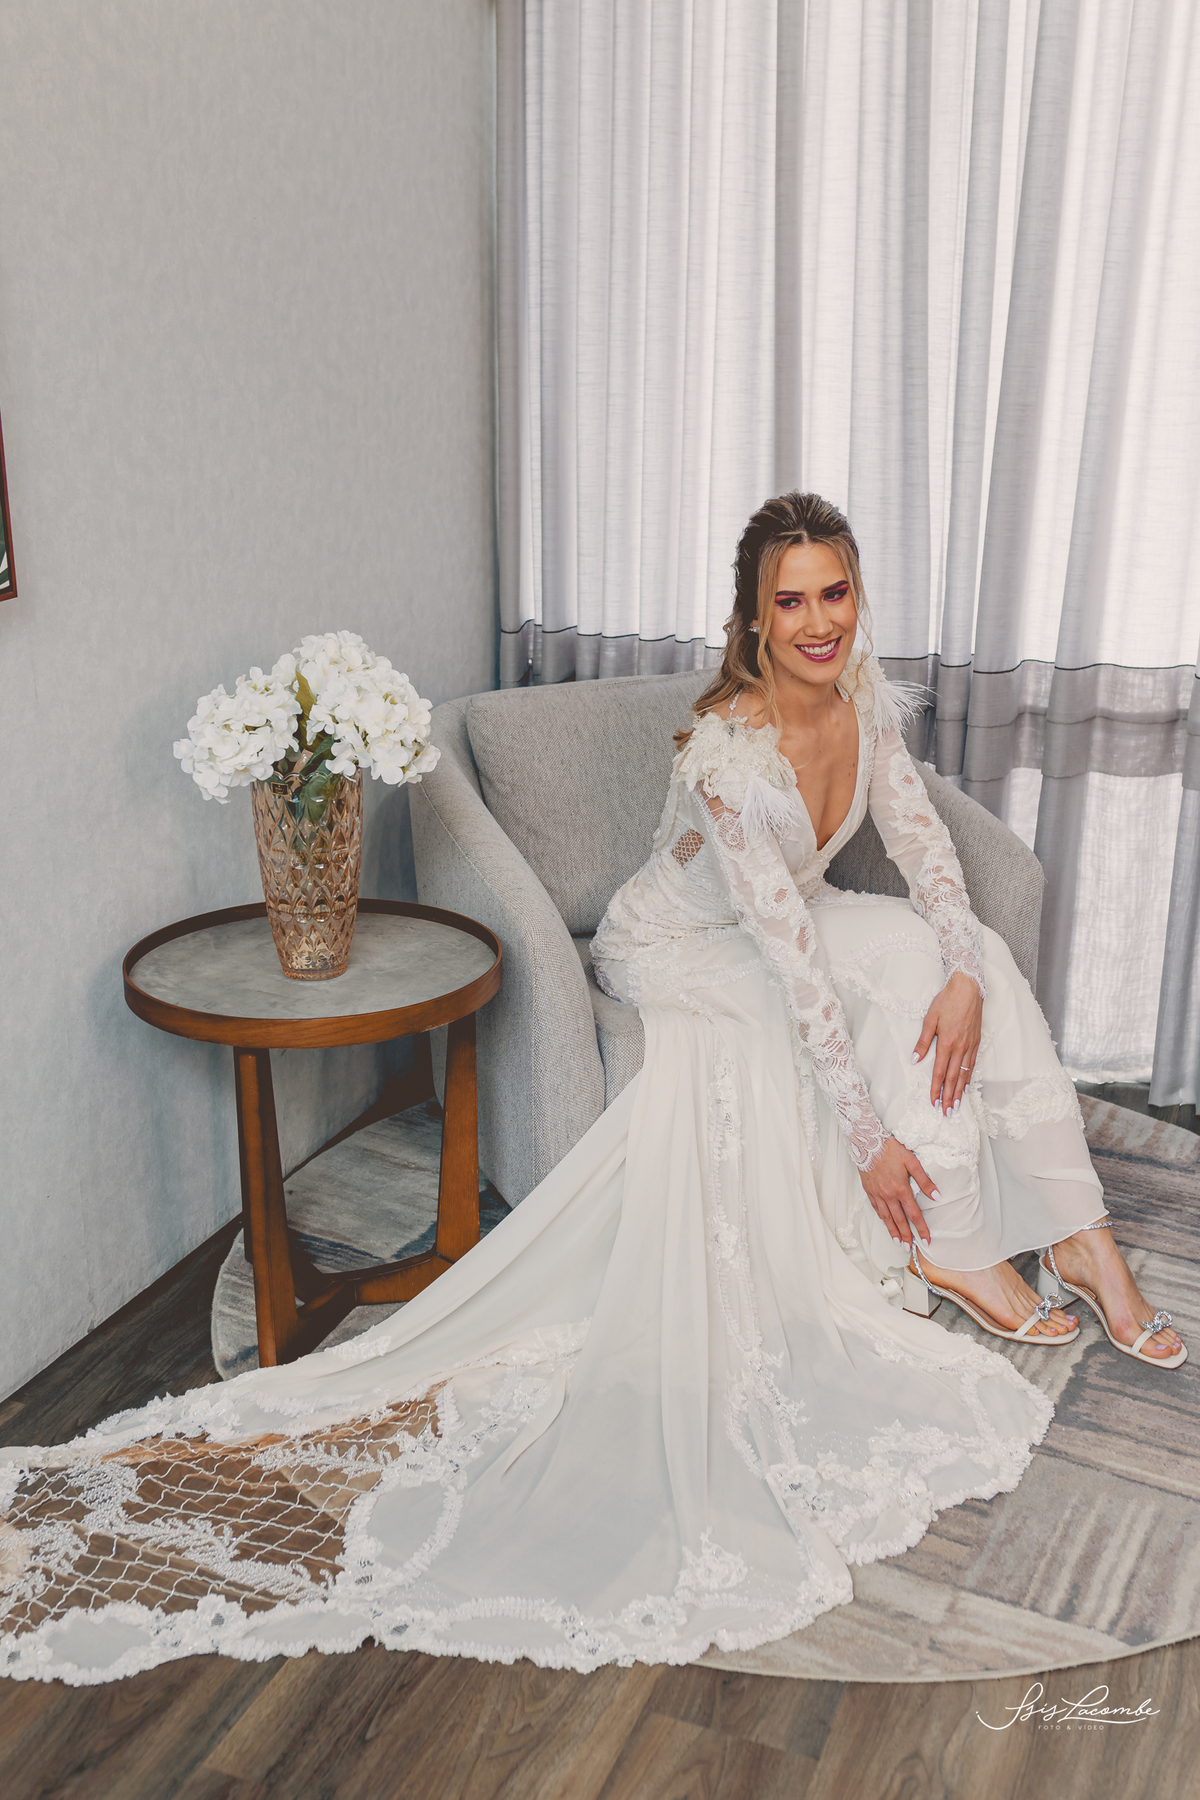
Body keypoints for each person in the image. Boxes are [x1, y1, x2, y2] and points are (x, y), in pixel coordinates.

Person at [0, 492, 1183, 1686]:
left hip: (795, 918)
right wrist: (870, 1141)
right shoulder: (728, 759)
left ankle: (1075, 1236)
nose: (820, 622)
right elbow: (791, 967)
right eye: (791, 602)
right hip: (681, 946)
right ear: (754, 620)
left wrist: (965, 973)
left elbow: (925, 850)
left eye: (836, 593)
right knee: (838, 1003)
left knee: (961, 957)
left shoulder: (867, 704)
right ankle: (955, 1246)